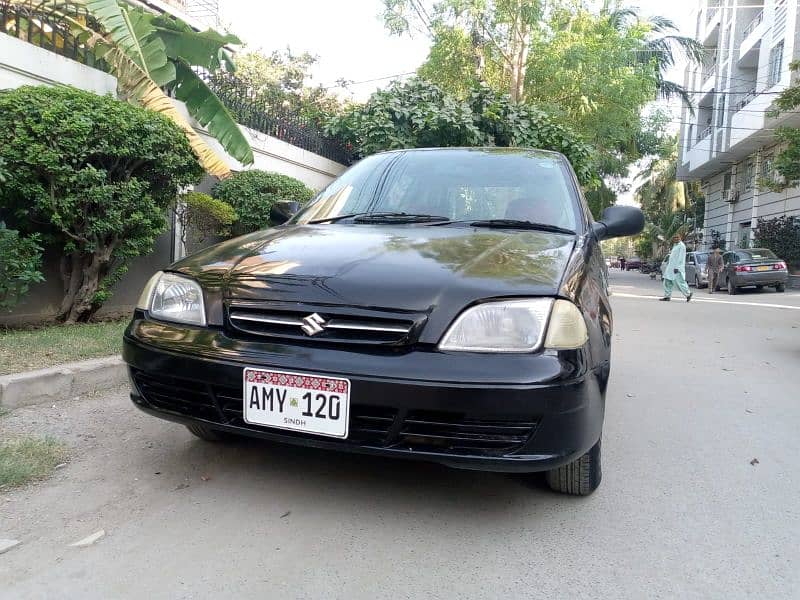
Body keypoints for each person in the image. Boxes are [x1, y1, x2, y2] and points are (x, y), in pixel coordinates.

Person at [660, 234, 692, 302]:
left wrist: (677, 267)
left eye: (677, 237)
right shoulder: (675, 245)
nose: (676, 239)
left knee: (679, 282)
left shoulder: (682, 246)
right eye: (674, 238)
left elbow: (681, 258)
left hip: (677, 268)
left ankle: (688, 294)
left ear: (680, 238)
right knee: (667, 281)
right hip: (670, 267)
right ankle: (667, 296)